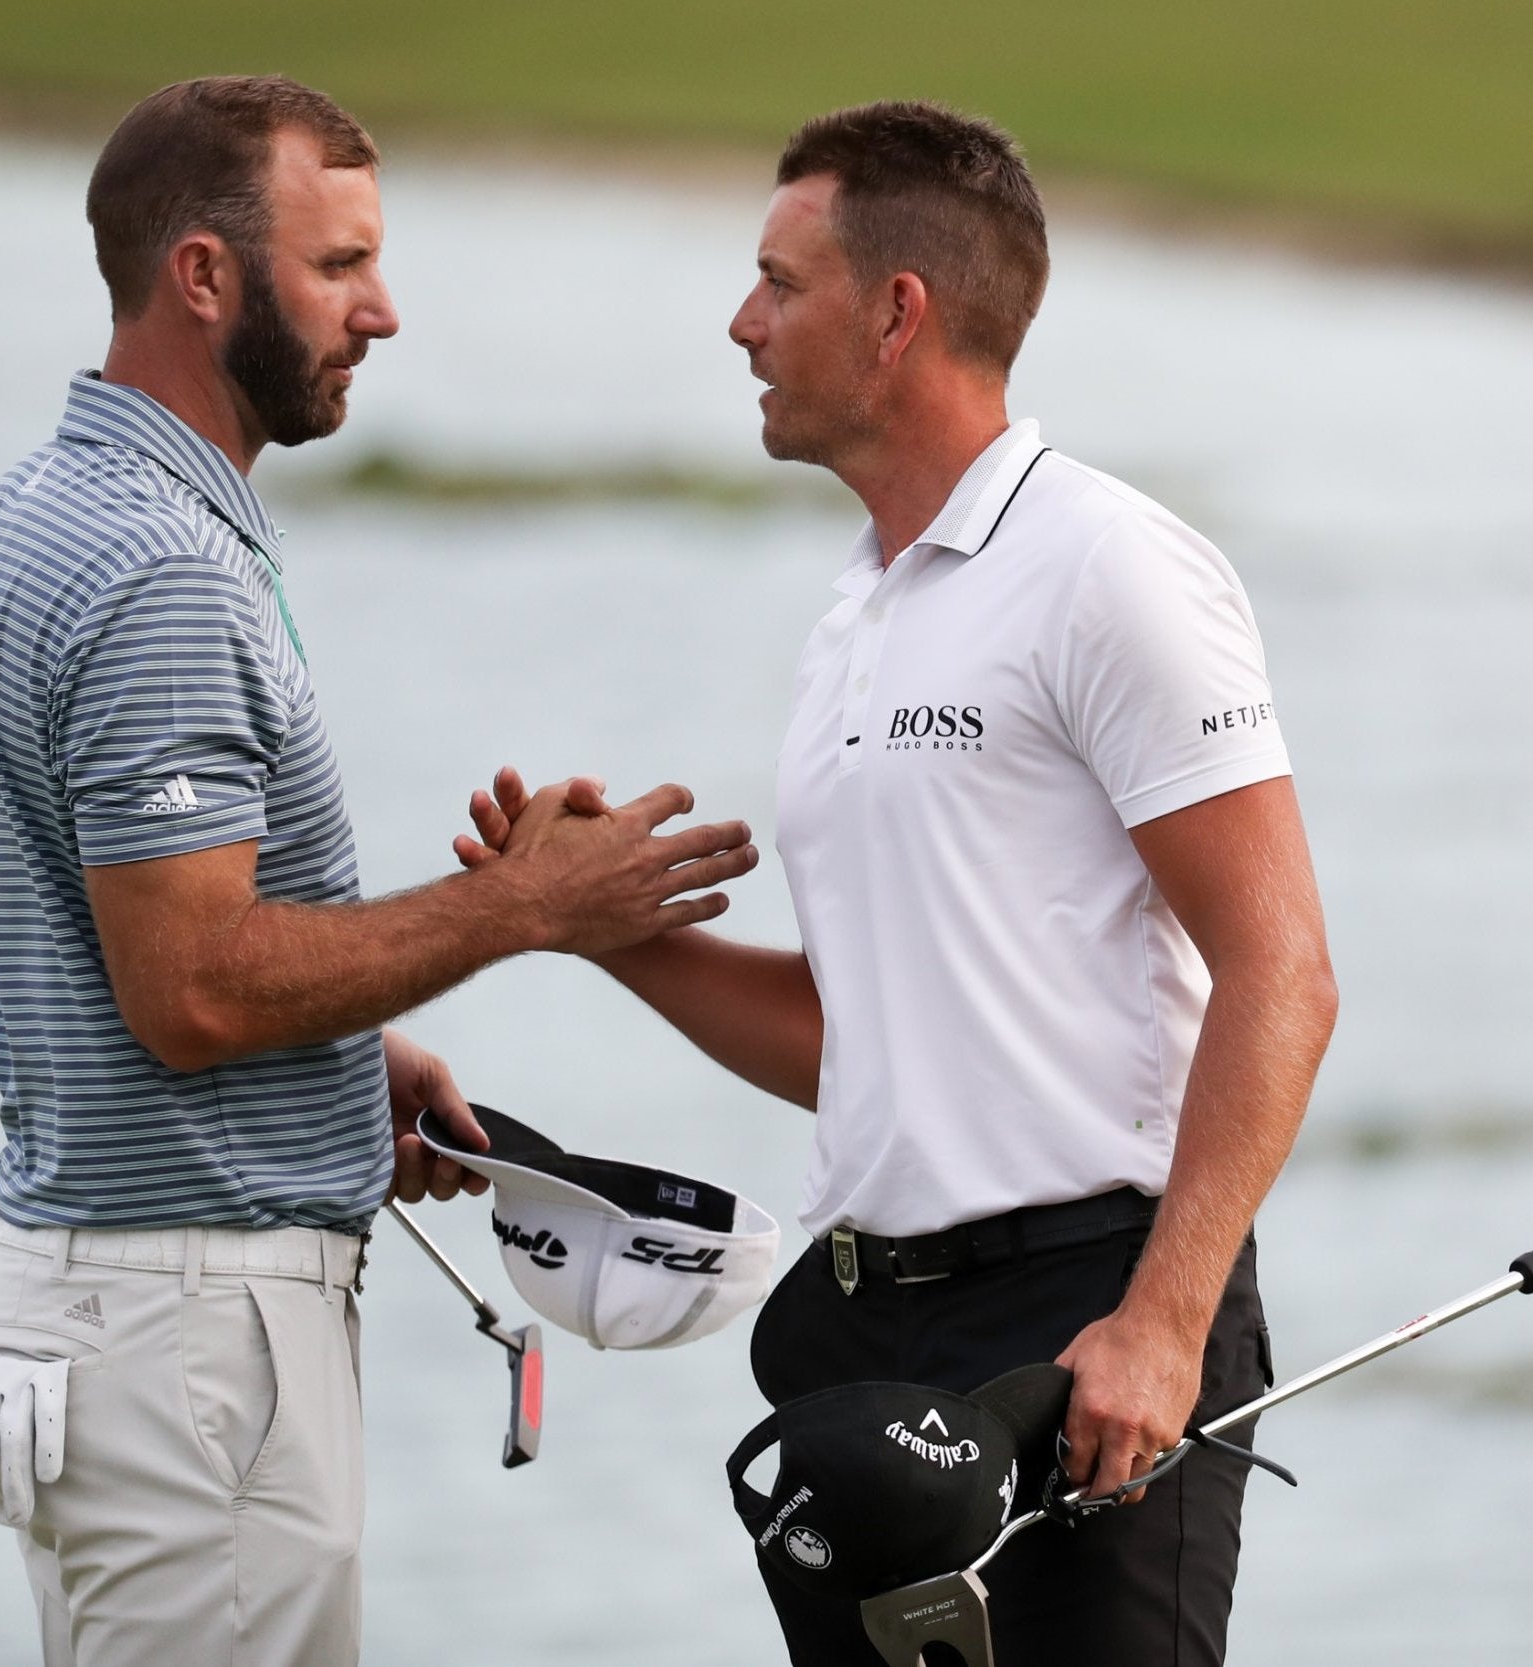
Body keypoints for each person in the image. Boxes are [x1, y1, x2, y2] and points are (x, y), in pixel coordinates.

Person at [457, 101, 1338, 1664]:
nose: (741, 325)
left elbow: (1282, 975)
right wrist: (592, 929)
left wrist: (1165, 1324)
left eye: (778, 285)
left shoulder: (1108, 568)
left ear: (895, 312)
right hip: (867, 1340)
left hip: (1086, 1322)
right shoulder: (859, 610)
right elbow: (861, 1041)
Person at [0, 75, 758, 1667]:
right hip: (191, 1348)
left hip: (83, 1310)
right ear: (205, 277)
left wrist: (337, 1047)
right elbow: (195, 992)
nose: (382, 310)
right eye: (339, 264)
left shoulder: (24, 517)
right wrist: (521, 907)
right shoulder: (162, 568)